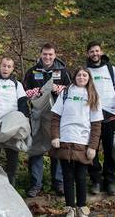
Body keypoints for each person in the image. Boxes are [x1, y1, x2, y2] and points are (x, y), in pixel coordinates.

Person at [50, 68, 103, 217]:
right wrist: (55, 136)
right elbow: (55, 117)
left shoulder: (93, 96)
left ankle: (81, 206)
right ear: (74, 77)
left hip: (83, 142)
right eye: (79, 74)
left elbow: (96, 124)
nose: (81, 77)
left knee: (80, 176)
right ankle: (70, 208)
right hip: (65, 140)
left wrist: (93, 146)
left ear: (89, 78)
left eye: (84, 75)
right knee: (67, 176)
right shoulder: (66, 93)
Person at [23, 43, 71, 197]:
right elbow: (23, 92)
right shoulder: (32, 71)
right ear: (41, 54)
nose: (47, 57)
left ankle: (58, 182)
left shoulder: (63, 71)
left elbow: (72, 89)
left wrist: (60, 89)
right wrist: (33, 92)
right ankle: (36, 184)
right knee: (36, 149)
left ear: (55, 55)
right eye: (45, 54)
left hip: (57, 118)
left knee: (56, 147)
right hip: (37, 116)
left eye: (50, 54)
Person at [85, 41, 115, 195]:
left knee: (110, 151)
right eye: (91, 51)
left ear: (101, 52)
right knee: (92, 151)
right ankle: (96, 181)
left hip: (111, 115)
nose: (95, 54)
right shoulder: (85, 71)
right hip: (92, 116)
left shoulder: (110, 68)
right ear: (88, 54)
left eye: (97, 51)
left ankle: (110, 181)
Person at [0, 57, 29, 186]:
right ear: (0, 66)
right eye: (4, 65)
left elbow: (22, 104)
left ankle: (12, 184)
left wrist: (24, 121)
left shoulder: (17, 84)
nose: (6, 68)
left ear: (12, 68)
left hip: (13, 125)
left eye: (9, 66)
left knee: (12, 157)